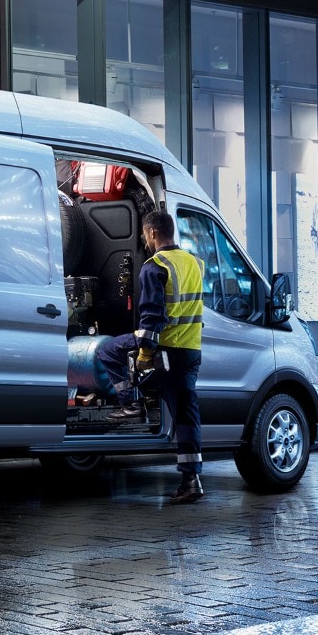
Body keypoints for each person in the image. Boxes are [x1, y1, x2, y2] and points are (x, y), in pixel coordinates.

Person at [95, 210, 207, 504]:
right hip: (191, 351)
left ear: (153, 233)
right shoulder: (195, 263)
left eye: (145, 234)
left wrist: (144, 354)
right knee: (186, 414)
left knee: (107, 350)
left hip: (166, 349)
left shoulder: (154, 266)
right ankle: (191, 480)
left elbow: (152, 319)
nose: (145, 239)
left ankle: (131, 404)